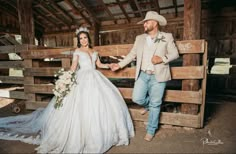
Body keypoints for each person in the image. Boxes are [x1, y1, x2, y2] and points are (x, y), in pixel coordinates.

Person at [0, 27, 134, 153]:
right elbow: (73, 67)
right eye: (80, 38)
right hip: (82, 78)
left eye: (85, 38)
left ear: (88, 39)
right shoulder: (77, 51)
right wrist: (66, 80)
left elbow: (98, 65)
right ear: (79, 40)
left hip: (95, 76)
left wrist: (109, 65)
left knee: (102, 102)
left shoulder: (94, 52)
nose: (83, 40)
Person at [110, 11, 179, 142]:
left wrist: (162, 59)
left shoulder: (167, 36)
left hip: (158, 76)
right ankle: (148, 106)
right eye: (144, 22)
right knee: (137, 98)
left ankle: (151, 130)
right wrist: (119, 65)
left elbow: (175, 53)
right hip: (142, 74)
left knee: (156, 104)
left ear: (155, 22)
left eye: (147, 22)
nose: (144, 24)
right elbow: (131, 54)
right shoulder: (139, 38)